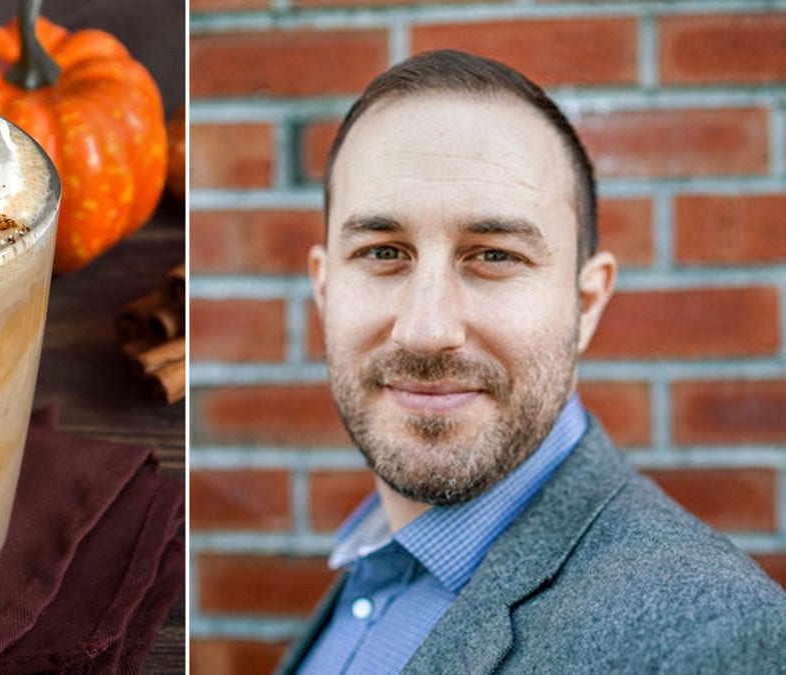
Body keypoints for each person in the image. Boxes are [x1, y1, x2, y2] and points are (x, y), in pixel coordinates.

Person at [277, 49, 786, 674]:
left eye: (493, 256)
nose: (426, 330)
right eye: (384, 251)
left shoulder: (712, 639)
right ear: (325, 290)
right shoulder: (377, 565)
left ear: (587, 301)